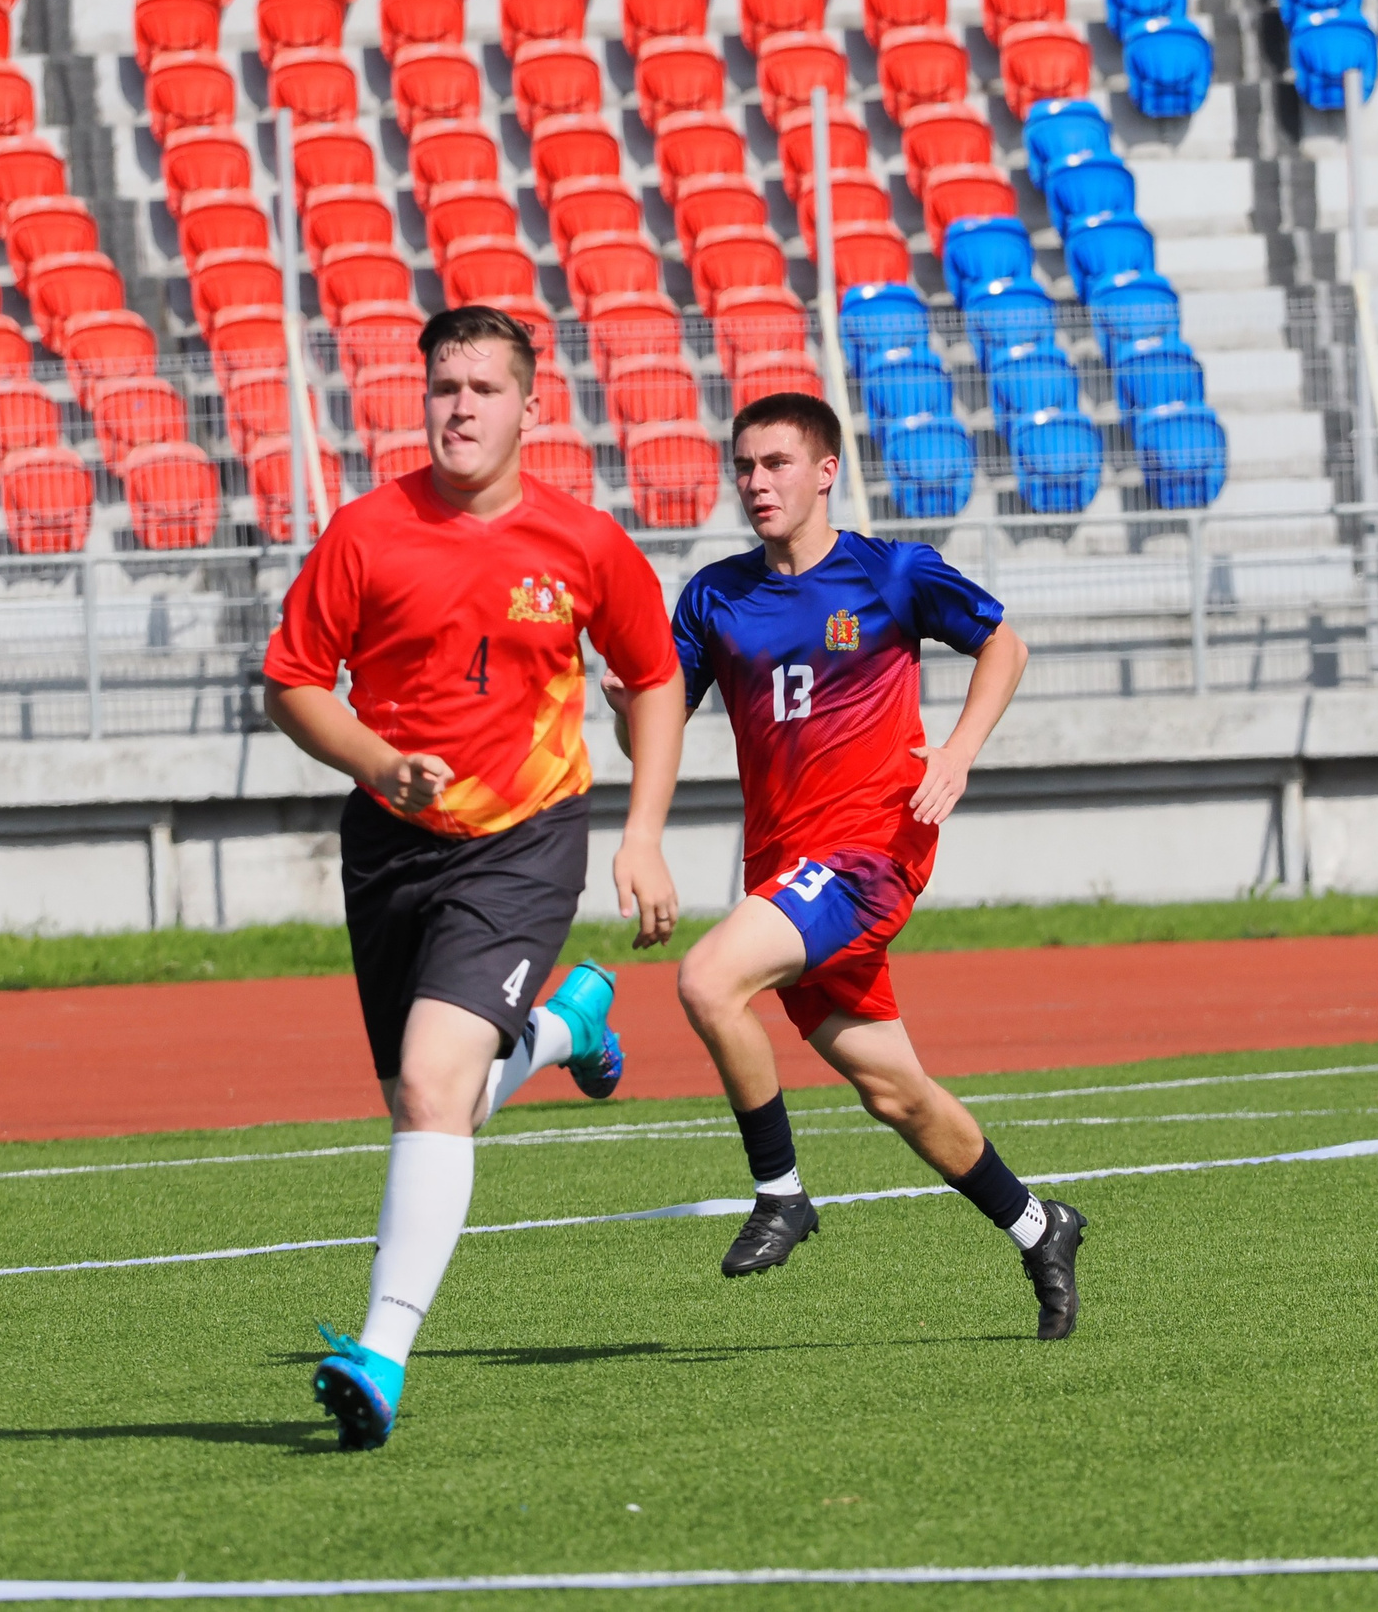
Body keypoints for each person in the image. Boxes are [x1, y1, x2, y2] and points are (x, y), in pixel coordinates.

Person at [260, 304, 687, 1449]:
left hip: (526, 837)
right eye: (444, 387)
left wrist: (641, 834)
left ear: (530, 408)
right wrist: (378, 762)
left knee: (432, 1086)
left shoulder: (586, 543)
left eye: (484, 389)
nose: (461, 408)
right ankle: (561, 1032)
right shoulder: (363, 533)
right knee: (426, 1099)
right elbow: (294, 682)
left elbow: (654, 681)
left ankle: (380, 1354)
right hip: (391, 843)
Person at [607, 392, 1087, 1340]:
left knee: (707, 979)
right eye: (743, 466)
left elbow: (1005, 643)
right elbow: (654, 728)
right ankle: (1041, 1226)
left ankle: (781, 1193)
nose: (756, 483)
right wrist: (626, 694)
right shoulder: (715, 594)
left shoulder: (891, 572)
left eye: (776, 463)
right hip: (787, 876)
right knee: (894, 1091)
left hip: (871, 853)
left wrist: (955, 752)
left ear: (826, 470)